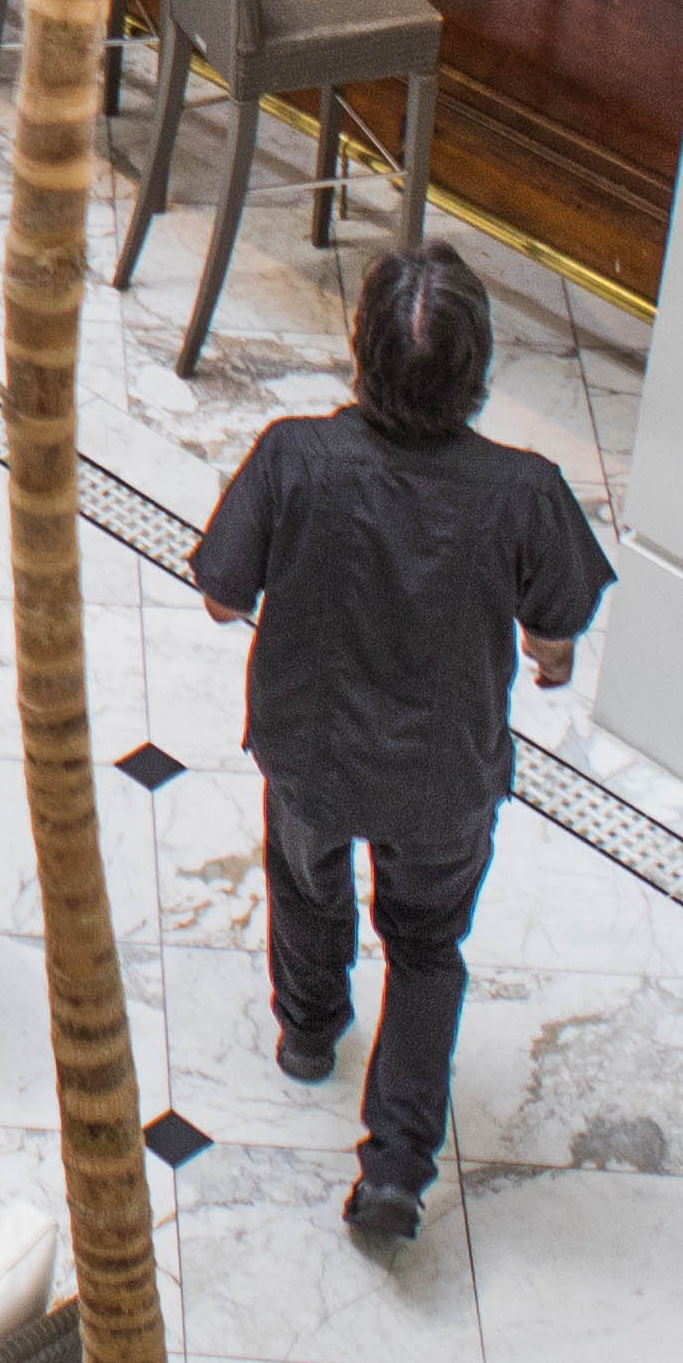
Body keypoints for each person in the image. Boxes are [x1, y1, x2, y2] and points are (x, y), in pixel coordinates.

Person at [192, 241, 613, 1252]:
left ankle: (308, 1028)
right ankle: (393, 1171)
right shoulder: (525, 489)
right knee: (426, 946)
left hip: (309, 749)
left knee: (305, 881)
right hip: (442, 777)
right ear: (477, 373)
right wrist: (541, 649)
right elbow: (556, 626)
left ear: (358, 357)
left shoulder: (293, 456)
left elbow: (218, 590)